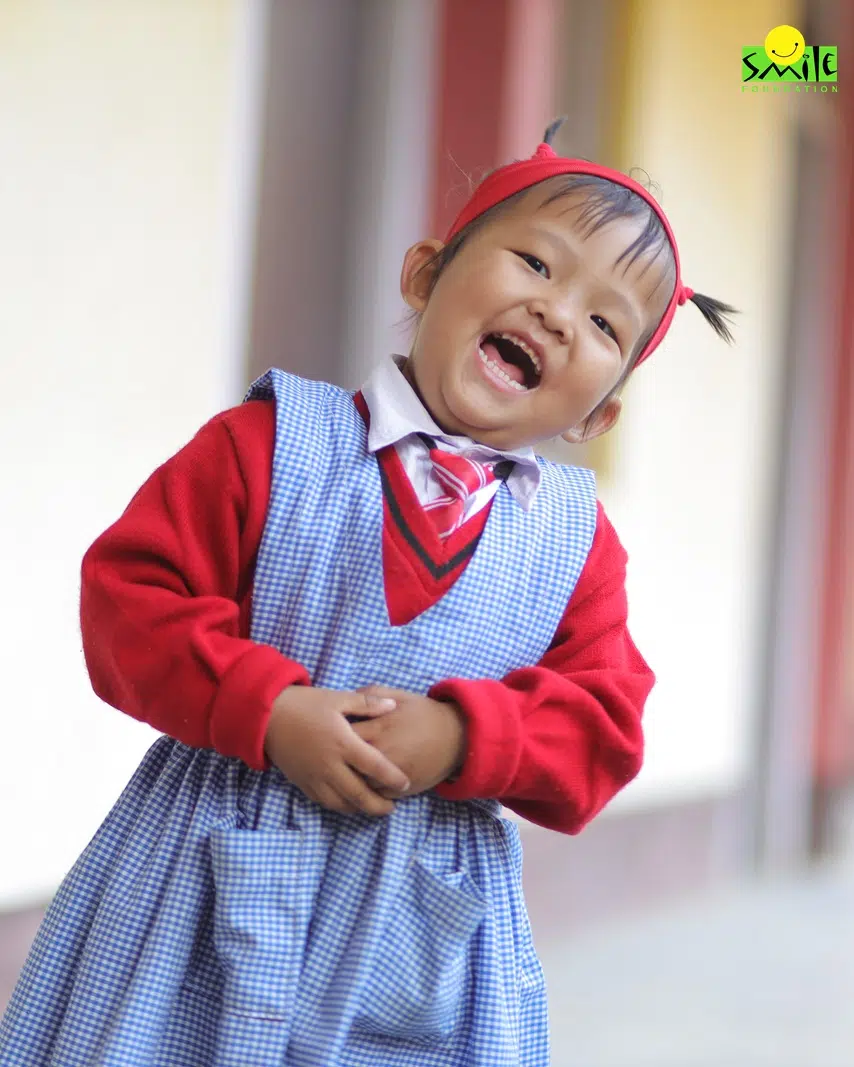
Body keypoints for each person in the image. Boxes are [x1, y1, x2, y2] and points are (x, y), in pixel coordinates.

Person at [0, 123, 734, 1067]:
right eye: (536, 264)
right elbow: (129, 599)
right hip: (199, 884)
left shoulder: (575, 545)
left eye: (604, 324)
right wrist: (265, 708)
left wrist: (466, 736)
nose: (557, 314)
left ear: (601, 414)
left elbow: (603, 726)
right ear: (424, 274)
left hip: (418, 937)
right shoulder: (267, 444)